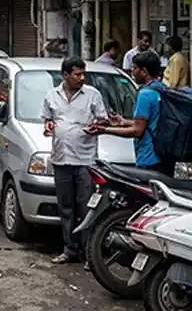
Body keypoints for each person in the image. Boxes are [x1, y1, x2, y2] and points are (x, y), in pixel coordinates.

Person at [42, 56, 108, 265]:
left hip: (86, 160)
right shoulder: (51, 95)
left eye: (83, 74)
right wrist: (48, 126)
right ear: (65, 75)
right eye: (77, 74)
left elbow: (103, 119)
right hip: (61, 159)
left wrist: (96, 126)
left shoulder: (92, 95)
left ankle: (89, 254)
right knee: (66, 207)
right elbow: (47, 120)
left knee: (86, 207)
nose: (81, 78)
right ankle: (69, 249)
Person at [90, 51, 173, 175]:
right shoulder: (163, 89)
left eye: (134, 68)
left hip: (148, 157)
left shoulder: (145, 94)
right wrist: (124, 122)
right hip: (164, 156)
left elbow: (137, 130)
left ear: (144, 71)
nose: (132, 72)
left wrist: (105, 130)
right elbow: (150, 121)